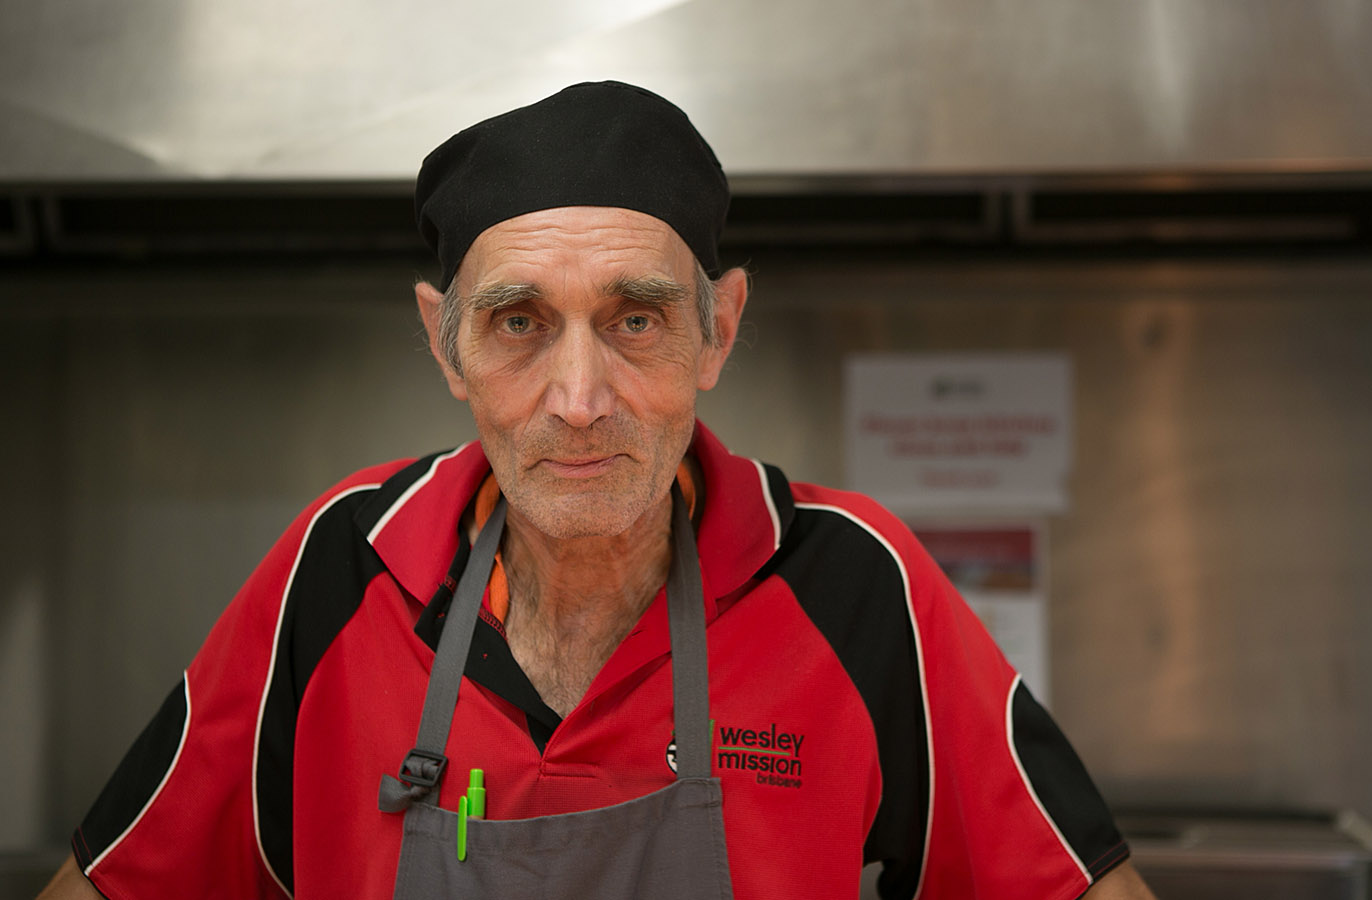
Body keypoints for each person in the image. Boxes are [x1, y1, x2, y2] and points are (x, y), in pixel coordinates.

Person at [39, 81, 1156, 900]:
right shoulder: (339, 565)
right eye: (519, 323)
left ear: (717, 329)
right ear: (445, 344)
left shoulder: (857, 581)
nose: (579, 398)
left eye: (636, 320)